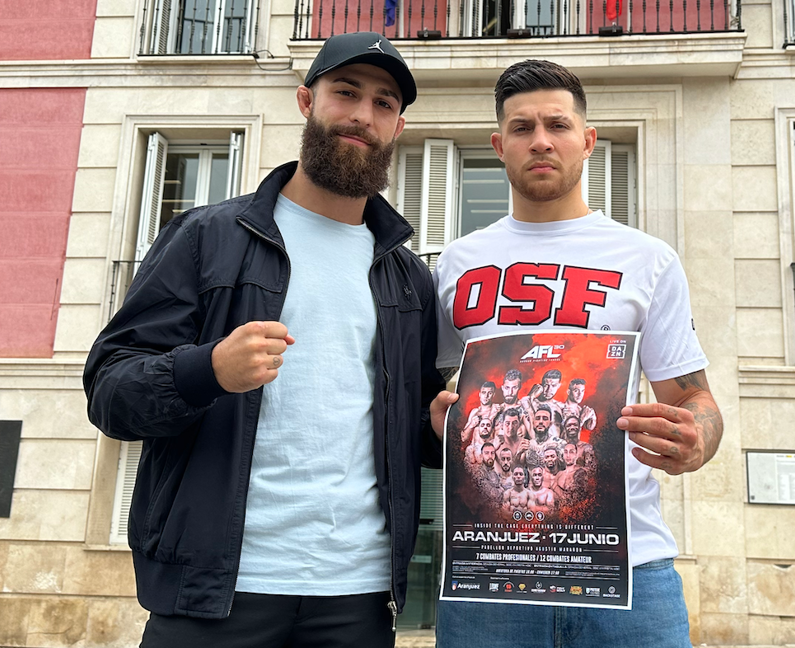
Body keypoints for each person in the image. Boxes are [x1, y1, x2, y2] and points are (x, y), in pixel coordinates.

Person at [84, 31, 457, 648]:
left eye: (384, 103)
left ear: (398, 128)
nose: (363, 114)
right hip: (215, 593)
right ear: (306, 101)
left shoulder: (407, 275)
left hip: (358, 596)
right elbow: (109, 391)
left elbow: (407, 430)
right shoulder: (206, 237)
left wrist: (438, 434)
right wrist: (207, 369)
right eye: (346, 92)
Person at [433, 59, 723, 648]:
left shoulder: (648, 259)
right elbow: (438, 395)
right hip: (489, 576)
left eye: (557, 125)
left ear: (587, 140)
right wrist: (438, 419)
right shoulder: (454, 265)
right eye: (522, 128)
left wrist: (696, 441)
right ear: (498, 145)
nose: (540, 140)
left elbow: (694, 398)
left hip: (629, 569)